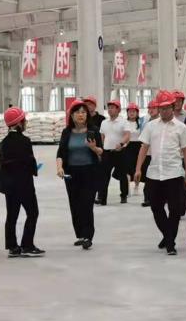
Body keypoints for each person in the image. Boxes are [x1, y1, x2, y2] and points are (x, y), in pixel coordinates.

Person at [135, 90, 186, 256]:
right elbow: (144, 147)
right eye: (161, 108)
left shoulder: (181, 127)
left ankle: (170, 242)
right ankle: (168, 237)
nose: (164, 111)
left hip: (174, 173)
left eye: (167, 108)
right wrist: (138, 168)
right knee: (156, 207)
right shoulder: (151, 126)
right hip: (154, 173)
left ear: (173, 107)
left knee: (175, 209)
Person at [56, 100, 103, 250]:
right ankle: (81, 235)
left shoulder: (93, 130)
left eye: (83, 112)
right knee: (75, 204)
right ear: (72, 115)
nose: (81, 115)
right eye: (77, 112)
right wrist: (59, 168)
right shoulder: (67, 132)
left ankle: (88, 236)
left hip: (89, 172)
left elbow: (101, 152)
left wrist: (93, 148)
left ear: (87, 115)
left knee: (87, 204)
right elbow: (60, 153)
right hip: (71, 173)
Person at [0, 107, 44, 258]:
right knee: (33, 213)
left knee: (11, 216)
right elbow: (30, 162)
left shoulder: (4, 142)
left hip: (9, 185)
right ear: (19, 123)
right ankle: (27, 245)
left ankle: (12, 247)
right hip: (24, 184)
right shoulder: (25, 141)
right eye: (24, 120)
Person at [98, 100, 131, 205]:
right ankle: (102, 198)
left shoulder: (124, 122)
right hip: (107, 152)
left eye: (112, 107)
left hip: (120, 152)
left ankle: (124, 195)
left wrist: (121, 144)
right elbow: (102, 136)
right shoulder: (104, 122)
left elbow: (127, 135)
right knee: (104, 176)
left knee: (122, 175)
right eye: (109, 107)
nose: (110, 109)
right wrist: (102, 149)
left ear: (118, 110)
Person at [123, 102, 145, 198]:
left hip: (138, 146)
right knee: (127, 168)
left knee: (138, 167)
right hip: (127, 147)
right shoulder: (124, 123)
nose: (131, 113)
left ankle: (136, 186)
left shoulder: (141, 123)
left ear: (137, 113)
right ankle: (127, 189)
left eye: (133, 111)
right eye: (130, 111)